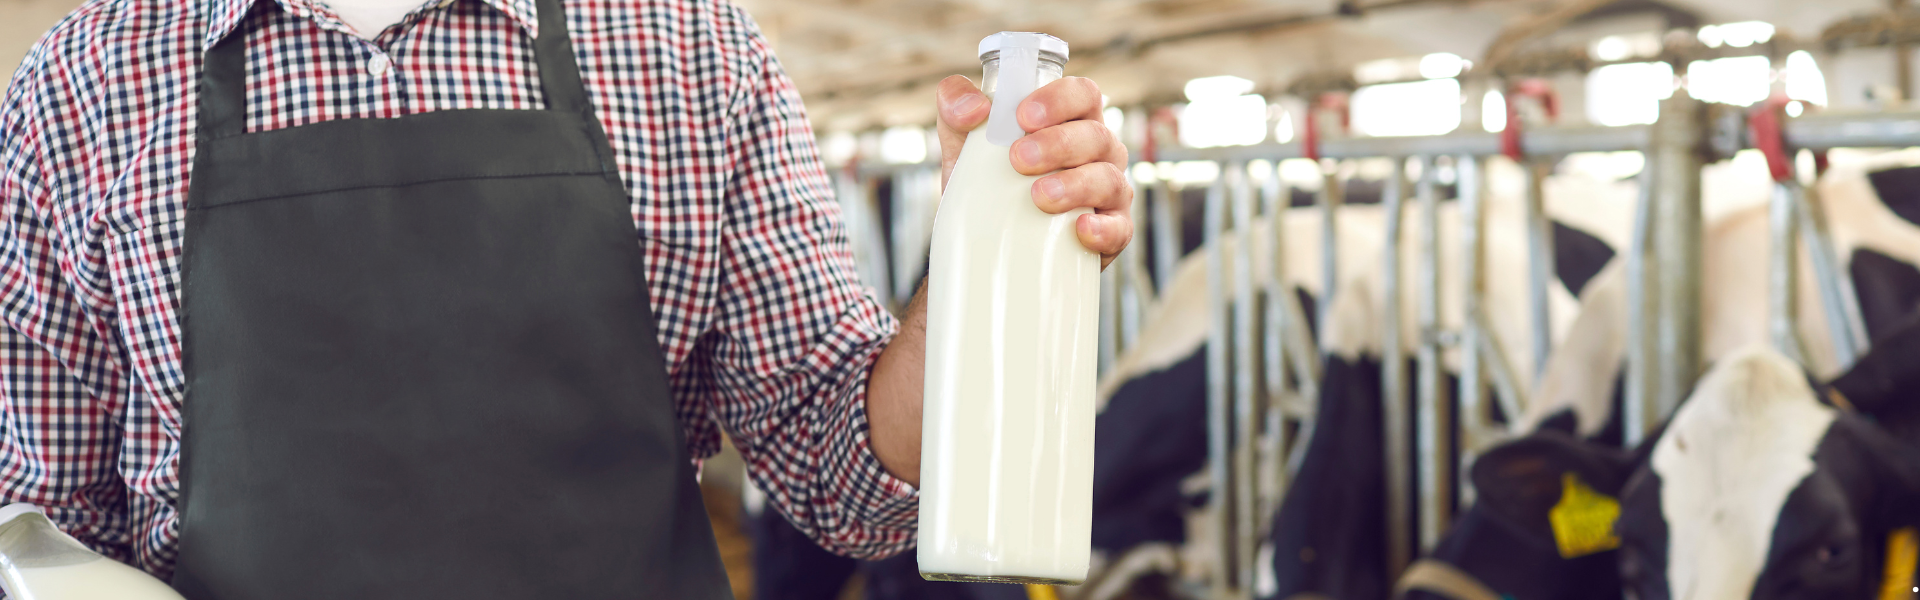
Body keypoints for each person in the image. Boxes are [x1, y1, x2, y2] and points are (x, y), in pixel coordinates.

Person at [0, 0, 1133, 594]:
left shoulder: (688, 46)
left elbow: (841, 477)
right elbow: (38, 529)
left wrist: (970, 289)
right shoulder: (85, 80)